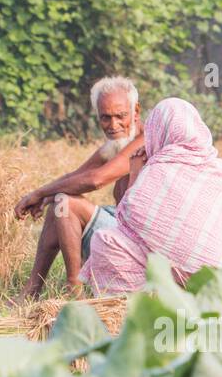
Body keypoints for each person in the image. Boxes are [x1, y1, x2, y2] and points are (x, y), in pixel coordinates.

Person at [80, 97, 222, 295]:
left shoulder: (159, 169)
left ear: (157, 132)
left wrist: (135, 172)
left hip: (192, 280)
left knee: (106, 240)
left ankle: (130, 306)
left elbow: (126, 220)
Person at [14, 76, 147, 299]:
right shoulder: (118, 142)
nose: (113, 125)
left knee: (65, 202)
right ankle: (32, 289)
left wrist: (39, 193)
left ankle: (74, 289)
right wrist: (44, 198)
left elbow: (96, 180)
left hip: (140, 248)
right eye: (105, 118)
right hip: (124, 232)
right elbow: (79, 176)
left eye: (120, 116)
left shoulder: (143, 140)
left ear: (136, 111)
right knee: (59, 203)